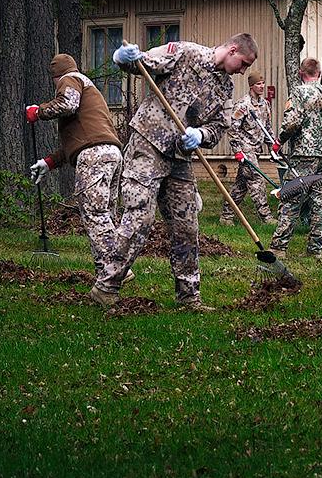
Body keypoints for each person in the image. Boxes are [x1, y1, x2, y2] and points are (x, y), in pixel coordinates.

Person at [89, 33, 258, 310]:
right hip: (149, 144)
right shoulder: (185, 53)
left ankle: (189, 297)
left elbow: (218, 127)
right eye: (243, 63)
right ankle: (106, 287)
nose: (243, 71)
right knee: (139, 217)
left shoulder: (225, 89)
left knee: (187, 226)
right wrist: (123, 58)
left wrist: (200, 135)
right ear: (232, 49)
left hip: (181, 157)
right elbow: (142, 64)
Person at [26, 53, 123, 277]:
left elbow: (67, 104)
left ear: (55, 77)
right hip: (112, 154)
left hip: (94, 156)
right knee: (107, 216)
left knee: (94, 214)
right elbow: (82, 138)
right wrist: (49, 162)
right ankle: (105, 278)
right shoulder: (92, 93)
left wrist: (37, 112)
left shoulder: (70, 80)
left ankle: (116, 266)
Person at [269, 58, 322, 261]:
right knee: (319, 203)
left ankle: (279, 247)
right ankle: (316, 250)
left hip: (303, 156)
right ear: (320, 73)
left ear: (299, 72)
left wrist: (279, 142)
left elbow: (291, 123)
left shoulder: (298, 93)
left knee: (291, 199)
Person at [220, 72, 276, 225]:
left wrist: (272, 146)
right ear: (251, 86)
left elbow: (267, 128)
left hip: (256, 148)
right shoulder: (243, 105)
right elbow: (232, 128)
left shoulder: (264, 104)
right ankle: (266, 217)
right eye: (258, 84)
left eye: (263, 83)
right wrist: (237, 150)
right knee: (257, 180)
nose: (262, 86)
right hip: (245, 150)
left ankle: (226, 215)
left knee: (241, 185)